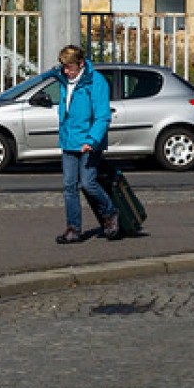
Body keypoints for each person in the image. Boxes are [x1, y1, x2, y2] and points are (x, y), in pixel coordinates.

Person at [52, 44, 119, 243]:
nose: (66, 71)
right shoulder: (64, 80)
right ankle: (73, 228)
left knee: (88, 183)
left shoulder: (95, 82)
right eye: (64, 67)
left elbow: (102, 116)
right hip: (69, 140)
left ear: (81, 64)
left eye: (70, 67)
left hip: (89, 141)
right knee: (69, 186)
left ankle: (110, 213)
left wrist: (92, 140)